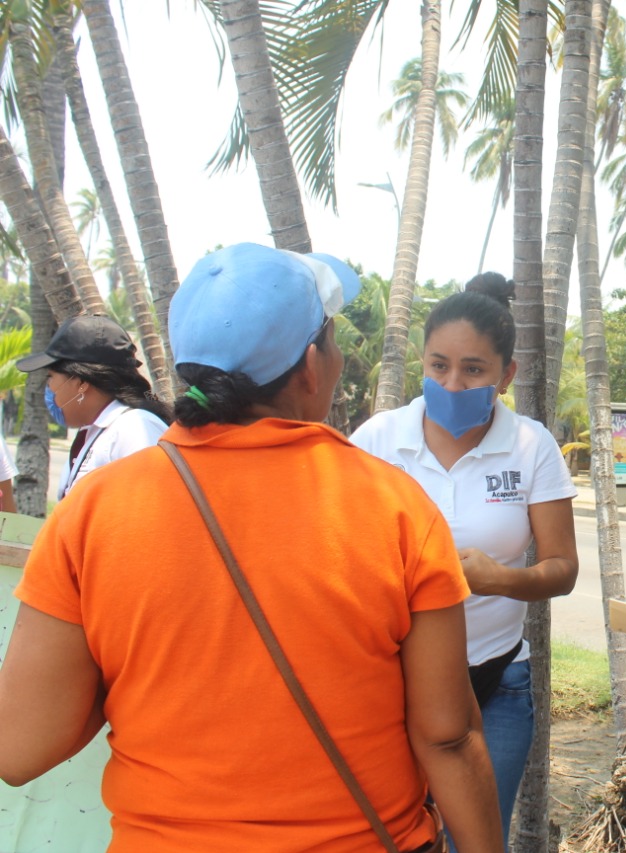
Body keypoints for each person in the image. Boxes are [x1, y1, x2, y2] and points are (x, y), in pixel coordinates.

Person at [0, 243, 501, 852]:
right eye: (334, 340)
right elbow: (447, 736)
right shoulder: (394, 508)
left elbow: (20, 746)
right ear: (312, 366)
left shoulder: (90, 514)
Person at [350, 271, 578, 849]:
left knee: (475, 840)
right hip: (387, 687)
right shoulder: (377, 441)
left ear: (506, 375)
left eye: (474, 370)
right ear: (421, 365)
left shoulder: (530, 446)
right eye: (438, 366)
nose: (453, 383)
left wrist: (496, 578)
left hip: (495, 684)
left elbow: (562, 568)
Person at [15, 314, 171, 500]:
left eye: (51, 377)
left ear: (81, 382)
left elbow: (151, 512)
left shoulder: (135, 429)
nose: (49, 388)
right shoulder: (93, 432)